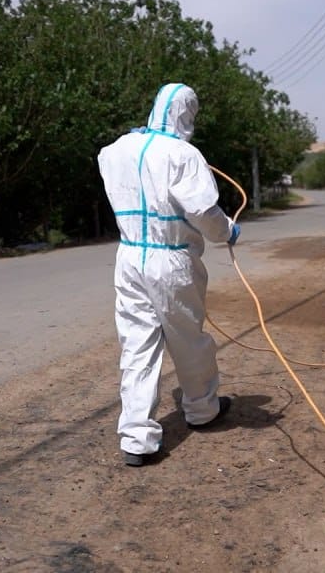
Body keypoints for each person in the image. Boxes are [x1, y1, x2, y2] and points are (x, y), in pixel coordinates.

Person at [97, 83, 240, 467]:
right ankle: (202, 409)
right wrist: (227, 230)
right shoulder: (184, 155)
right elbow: (204, 213)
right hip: (172, 259)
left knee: (137, 344)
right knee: (188, 339)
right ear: (186, 114)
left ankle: (136, 438)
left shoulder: (115, 151)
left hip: (129, 257)